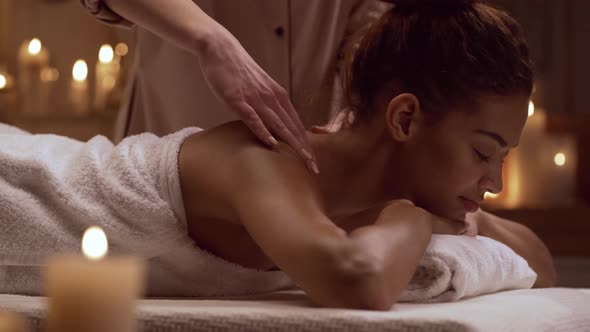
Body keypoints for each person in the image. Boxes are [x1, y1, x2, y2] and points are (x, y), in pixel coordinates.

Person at [1, 0, 555, 309]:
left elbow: (538, 264)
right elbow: (357, 281)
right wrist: (411, 214)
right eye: (485, 153)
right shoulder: (266, 162)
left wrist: (452, 209)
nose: (496, 182)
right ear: (405, 118)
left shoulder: (369, 194)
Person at [81, 0, 389, 173]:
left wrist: (366, 90)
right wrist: (212, 42)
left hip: (308, 170)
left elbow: (366, 14)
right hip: (175, 135)